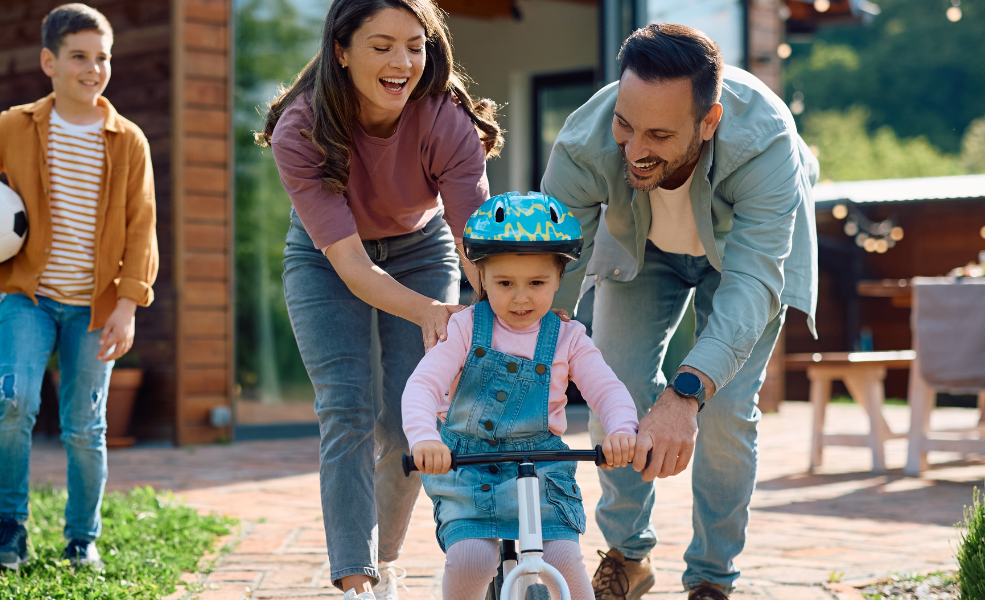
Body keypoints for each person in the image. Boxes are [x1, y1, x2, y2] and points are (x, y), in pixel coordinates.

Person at [541, 24, 818, 600]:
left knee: (726, 412)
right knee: (610, 384)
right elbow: (554, 264)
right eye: (625, 124)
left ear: (709, 122)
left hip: (743, 261)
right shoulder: (584, 143)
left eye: (660, 134)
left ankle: (713, 577)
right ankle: (627, 555)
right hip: (643, 251)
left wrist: (686, 394)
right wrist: (534, 355)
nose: (636, 149)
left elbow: (752, 281)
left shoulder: (766, 142)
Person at [254, 0, 502, 597]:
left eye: (415, 45)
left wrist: (500, 306)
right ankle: (354, 578)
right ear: (341, 51)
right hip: (326, 259)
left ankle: (383, 558)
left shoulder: (446, 122)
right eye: (382, 45)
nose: (403, 61)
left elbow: (476, 243)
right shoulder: (302, 127)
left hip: (421, 248)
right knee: (346, 409)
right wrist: (430, 313)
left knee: (408, 416)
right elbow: (352, 266)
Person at [0, 3, 158, 572]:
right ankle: (9, 530)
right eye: (79, 56)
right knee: (13, 401)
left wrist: (128, 304)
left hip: (95, 309)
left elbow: (142, 225)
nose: (93, 69)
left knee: (84, 426)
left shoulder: (128, 141)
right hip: (28, 298)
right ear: (49, 61)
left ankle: (82, 539)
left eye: (102, 58)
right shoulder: (17, 126)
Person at [405, 192, 640, 600]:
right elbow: (423, 385)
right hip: (468, 468)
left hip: (542, 469)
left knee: (563, 561)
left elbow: (607, 388)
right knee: (472, 561)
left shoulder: (567, 338)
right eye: (504, 283)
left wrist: (621, 428)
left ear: (559, 279)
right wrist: (425, 437)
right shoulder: (464, 328)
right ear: (480, 277)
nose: (521, 297)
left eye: (536, 283)